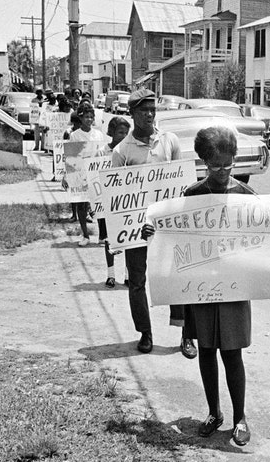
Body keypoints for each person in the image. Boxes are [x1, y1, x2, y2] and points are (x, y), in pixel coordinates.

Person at [157, 125, 270, 446]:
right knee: (206, 351)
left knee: (232, 354)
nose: (221, 172)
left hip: (233, 289)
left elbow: (269, 231)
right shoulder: (192, 196)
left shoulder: (246, 197)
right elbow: (176, 245)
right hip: (200, 291)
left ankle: (240, 416)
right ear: (202, 162)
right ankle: (214, 412)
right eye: (214, 166)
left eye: (227, 166)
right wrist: (156, 232)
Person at [111, 88, 197, 358]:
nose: (149, 115)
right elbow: (117, 197)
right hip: (136, 229)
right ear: (132, 113)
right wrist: (118, 231)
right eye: (143, 111)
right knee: (137, 281)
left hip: (167, 225)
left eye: (152, 110)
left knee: (179, 275)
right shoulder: (122, 151)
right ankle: (145, 332)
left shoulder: (169, 141)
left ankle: (186, 335)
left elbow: (179, 183)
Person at [65, 103, 106, 247]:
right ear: (80, 118)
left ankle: (102, 235)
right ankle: (85, 235)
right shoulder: (75, 136)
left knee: (100, 204)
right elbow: (71, 157)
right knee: (81, 204)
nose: (89, 120)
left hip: (96, 173)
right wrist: (67, 175)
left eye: (91, 117)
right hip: (81, 173)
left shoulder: (98, 134)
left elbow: (102, 154)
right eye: (86, 117)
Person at [98, 116, 130, 287]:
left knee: (129, 238)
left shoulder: (129, 150)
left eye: (126, 133)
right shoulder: (102, 151)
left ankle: (127, 274)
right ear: (111, 132)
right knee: (109, 240)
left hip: (126, 201)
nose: (123, 136)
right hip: (108, 201)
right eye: (120, 132)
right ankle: (111, 274)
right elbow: (94, 177)